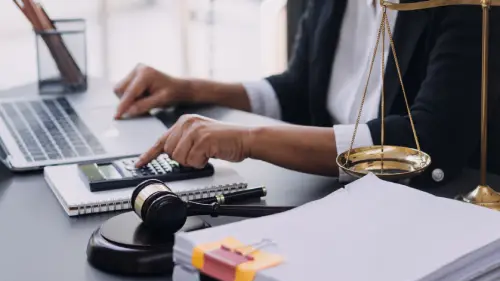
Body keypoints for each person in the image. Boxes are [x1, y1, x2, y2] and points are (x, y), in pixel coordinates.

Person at [113, 0, 500, 185]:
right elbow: (299, 90)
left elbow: (429, 140)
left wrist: (248, 140)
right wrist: (190, 89)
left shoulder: (471, 7)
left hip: (433, 212)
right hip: (332, 199)